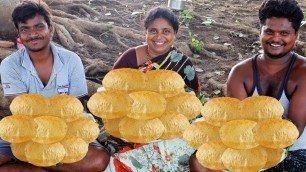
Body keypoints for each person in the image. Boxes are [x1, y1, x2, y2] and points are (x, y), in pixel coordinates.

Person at [189, 0, 306, 171]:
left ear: (296, 36)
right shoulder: (240, 73)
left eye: (284, 33)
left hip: (294, 152)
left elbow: (293, 129)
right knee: (200, 162)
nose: (276, 38)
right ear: (260, 32)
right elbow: (237, 124)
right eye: (269, 31)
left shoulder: (302, 73)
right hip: (248, 145)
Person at [0, 0, 110, 171]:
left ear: (50, 29)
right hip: (27, 131)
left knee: (98, 160)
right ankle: (44, 165)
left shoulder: (71, 60)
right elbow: (21, 110)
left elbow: (74, 107)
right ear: (19, 34)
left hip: (66, 129)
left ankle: (35, 164)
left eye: (38, 27)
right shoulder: (10, 64)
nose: (33, 34)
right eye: (25, 29)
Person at [103, 6, 201, 171]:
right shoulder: (130, 58)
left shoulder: (183, 64)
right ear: (146, 33)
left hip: (168, 129)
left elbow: (195, 103)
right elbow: (109, 96)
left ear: (174, 34)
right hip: (131, 126)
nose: (159, 37)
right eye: (153, 31)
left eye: (166, 31)